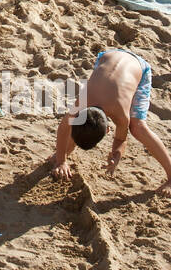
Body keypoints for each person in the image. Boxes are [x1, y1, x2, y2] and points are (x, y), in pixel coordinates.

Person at [52, 49, 171, 197]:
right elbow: (63, 128)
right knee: (78, 134)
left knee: (138, 127)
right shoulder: (82, 102)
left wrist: (116, 155)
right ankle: (64, 155)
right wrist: (61, 160)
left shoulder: (121, 114)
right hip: (107, 58)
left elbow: (121, 139)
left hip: (139, 68)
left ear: (108, 129)